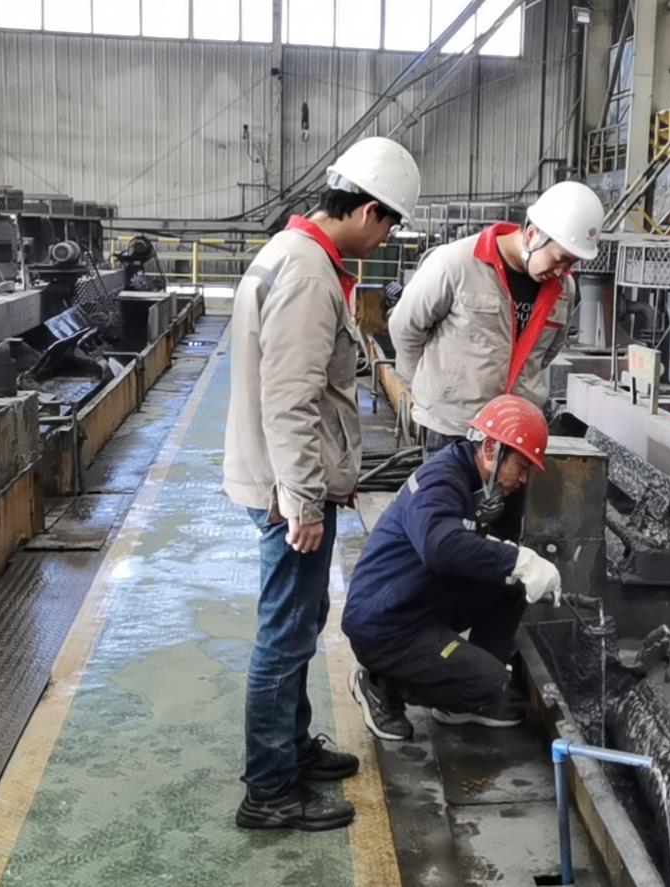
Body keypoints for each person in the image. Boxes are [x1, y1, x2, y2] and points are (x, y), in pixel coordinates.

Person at [223, 135, 420, 831]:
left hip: (280, 480)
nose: (386, 238)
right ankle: (270, 789)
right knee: (284, 634)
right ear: (368, 211)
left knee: (300, 624)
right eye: (389, 224)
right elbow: (291, 400)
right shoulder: (309, 274)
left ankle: (292, 746)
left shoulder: (293, 253)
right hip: (287, 492)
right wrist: (303, 500)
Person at [342, 396, 564, 742]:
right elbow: (439, 547)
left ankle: (464, 695)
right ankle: (381, 684)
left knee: (510, 587)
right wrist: (518, 560)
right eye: (521, 467)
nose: (523, 479)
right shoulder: (441, 480)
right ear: (491, 448)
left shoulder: (472, 479)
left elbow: (468, 546)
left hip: (414, 599)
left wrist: (513, 566)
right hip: (384, 624)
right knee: (490, 682)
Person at [388, 181, 607, 455]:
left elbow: (546, 353)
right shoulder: (456, 263)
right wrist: (431, 390)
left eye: (571, 264)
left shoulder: (565, 289)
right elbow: (404, 328)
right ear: (532, 235)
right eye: (559, 258)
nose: (562, 271)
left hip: (515, 434)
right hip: (453, 429)